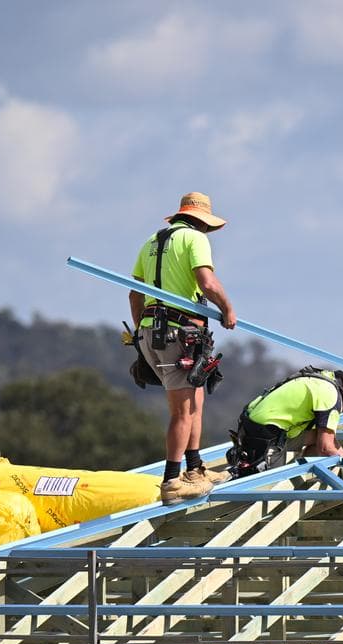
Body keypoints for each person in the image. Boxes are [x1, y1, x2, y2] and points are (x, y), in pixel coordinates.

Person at [130, 192, 237, 505]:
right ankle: (172, 481)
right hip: (180, 333)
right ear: (201, 222)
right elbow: (207, 282)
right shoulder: (194, 239)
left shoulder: (150, 242)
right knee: (182, 410)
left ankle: (195, 470)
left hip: (154, 331)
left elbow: (134, 295)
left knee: (195, 401)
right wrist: (227, 309)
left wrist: (140, 332)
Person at [225, 367, 343, 478]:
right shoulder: (331, 396)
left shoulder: (322, 382)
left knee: (317, 437)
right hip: (266, 434)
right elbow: (326, 447)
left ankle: (299, 475)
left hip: (252, 427)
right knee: (268, 491)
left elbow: (325, 440)